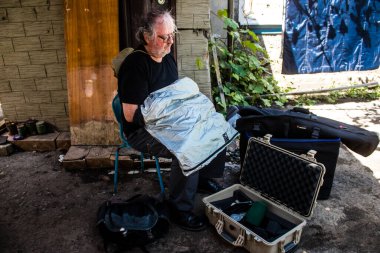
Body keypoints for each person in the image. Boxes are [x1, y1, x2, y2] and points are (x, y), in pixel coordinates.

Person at [117, 9, 226, 231]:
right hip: (142, 130)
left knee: (214, 126)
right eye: (163, 37)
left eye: (172, 35)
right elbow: (130, 115)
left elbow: (174, 97)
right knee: (187, 147)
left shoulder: (167, 59)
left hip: (169, 121)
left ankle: (201, 177)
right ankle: (180, 208)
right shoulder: (135, 65)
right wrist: (175, 126)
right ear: (147, 37)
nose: (170, 42)